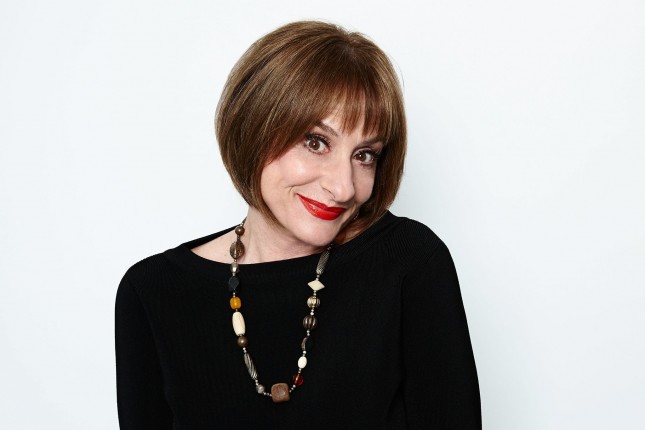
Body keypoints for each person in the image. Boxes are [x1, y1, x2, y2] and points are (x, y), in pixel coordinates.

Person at [115, 21, 481, 429]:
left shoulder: (409, 263)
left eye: (364, 155)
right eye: (316, 142)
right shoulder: (153, 293)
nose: (343, 187)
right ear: (252, 128)